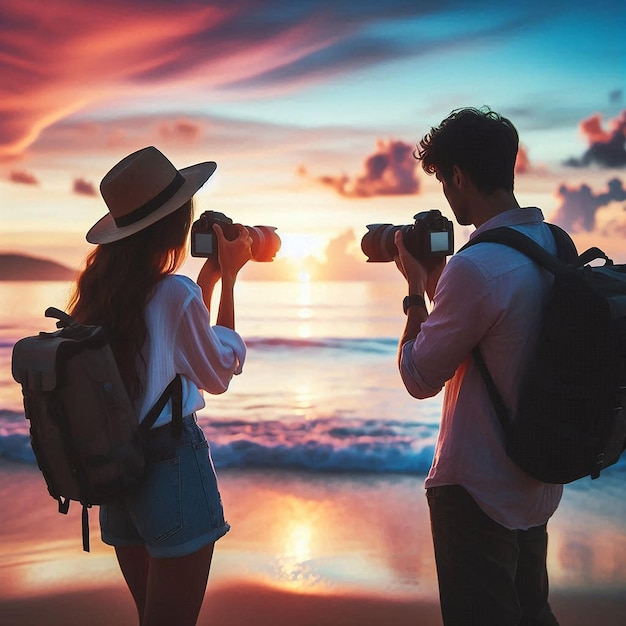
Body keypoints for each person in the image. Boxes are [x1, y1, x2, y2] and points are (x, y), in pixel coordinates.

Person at [68, 146, 252, 626]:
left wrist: (205, 283)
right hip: (170, 466)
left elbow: (177, 345)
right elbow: (216, 372)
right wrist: (229, 280)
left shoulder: (99, 297)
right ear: (174, 226)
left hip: (117, 472)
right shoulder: (173, 292)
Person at [394, 107, 563, 626]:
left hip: (475, 494)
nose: (446, 192)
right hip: (536, 479)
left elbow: (420, 378)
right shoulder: (552, 244)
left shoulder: (475, 268)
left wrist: (417, 293)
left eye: (445, 179)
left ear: (460, 176)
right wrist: (446, 282)